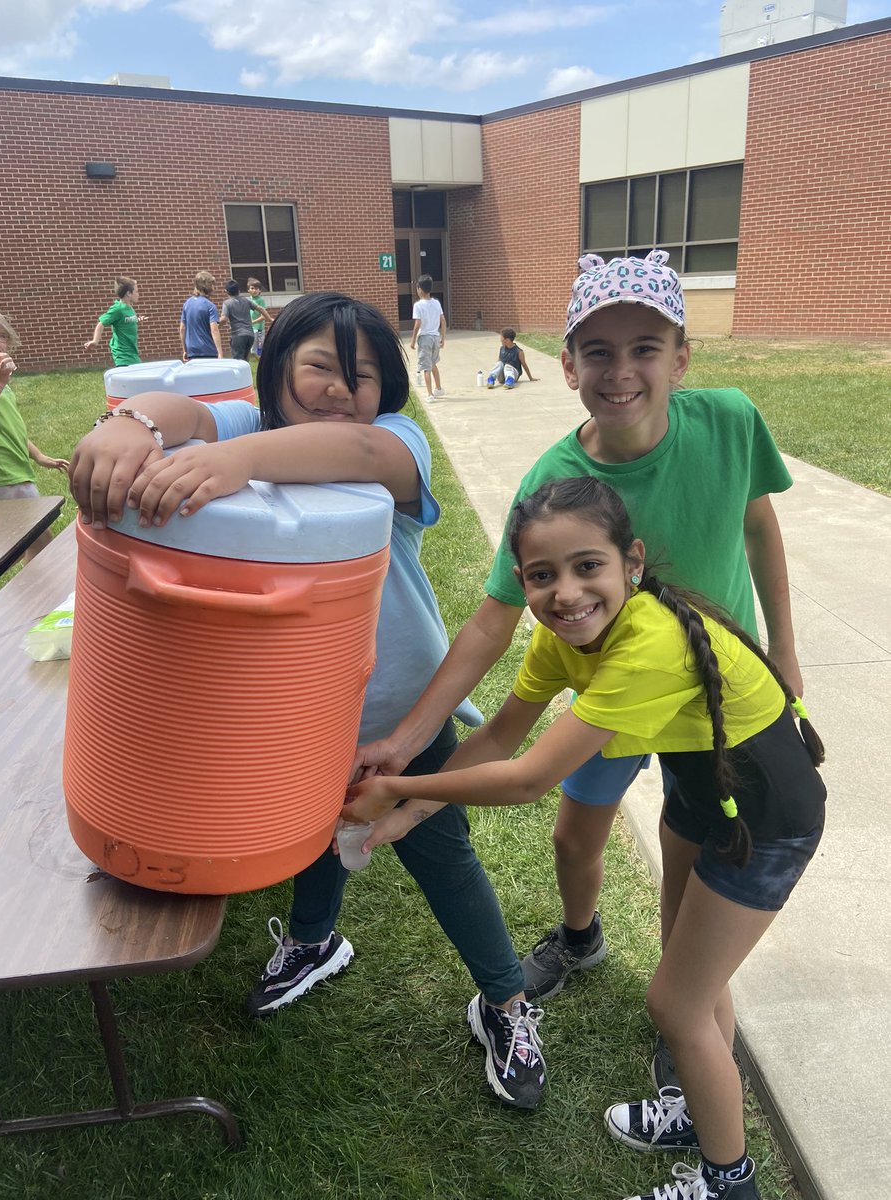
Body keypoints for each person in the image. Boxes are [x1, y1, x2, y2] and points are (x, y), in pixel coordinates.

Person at [68, 291, 546, 1112]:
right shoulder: (254, 422)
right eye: (321, 365)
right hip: (293, 718)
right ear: (278, 367)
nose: (339, 387)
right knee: (309, 832)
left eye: (363, 375)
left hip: (399, 714)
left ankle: (505, 1001)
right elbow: (186, 409)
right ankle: (315, 941)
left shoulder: (393, 440)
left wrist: (235, 462)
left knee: (442, 857)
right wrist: (135, 426)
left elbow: (355, 448)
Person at [354, 250, 803, 1029]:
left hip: (708, 695)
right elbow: (494, 620)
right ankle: (579, 937)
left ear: (681, 358)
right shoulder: (552, 484)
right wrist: (406, 740)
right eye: (598, 351)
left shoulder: (731, 420)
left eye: (644, 348)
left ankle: (687, 1029)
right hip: (612, 694)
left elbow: (760, 526)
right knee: (572, 838)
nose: (620, 371)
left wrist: (785, 649)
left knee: (690, 858)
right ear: (566, 365)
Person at [345, 474, 826, 1200]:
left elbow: (529, 777)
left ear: (631, 560)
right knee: (692, 977)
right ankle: (703, 1114)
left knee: (677, 1004)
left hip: (767, 819)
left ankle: (730, 1185)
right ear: (522, 581)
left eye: (586, 567)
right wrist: (406, 810)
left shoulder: (649, 643)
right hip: (704, 795)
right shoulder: (561, 640)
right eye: (542, 576)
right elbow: (502, 737)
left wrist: (405, 788)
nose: (565, 593)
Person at [0, 306, 68, 562]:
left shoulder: (0, 383)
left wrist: (38, 456)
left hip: (16, 472)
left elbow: (11, 428)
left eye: (0, 335)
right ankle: (38, 592)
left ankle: (32, 590)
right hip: (2, 476)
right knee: (35, 539)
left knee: (34, 540)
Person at [84, 276, 145, 366]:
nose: (138, 294)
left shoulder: (129, 308)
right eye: (136, 291)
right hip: (123, 355)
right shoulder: (117, 309)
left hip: (132, 352)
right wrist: (95, 341)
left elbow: (125, 322)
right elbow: (101, 323)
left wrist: (137, 321)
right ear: (129, 293)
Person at [410, 274, 445, 402]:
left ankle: (430, 394)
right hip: (436, 337)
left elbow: (417, 324)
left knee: (426, 367)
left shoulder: (418, 305)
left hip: (424, 338)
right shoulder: (436, 303)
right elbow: (443, 320)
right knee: (433, 363)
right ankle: (439, 388)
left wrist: (413, 340)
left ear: (419, 288)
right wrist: (443, 337)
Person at [219, 279, 270, 360]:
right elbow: (260, 309)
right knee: (246, 361)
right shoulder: (246, 300)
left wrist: (217, 327)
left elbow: (224, 319)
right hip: (250, 335)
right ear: (239, 291)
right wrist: (269, 319)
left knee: (238, 361)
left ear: (226, 291)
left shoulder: (227, 303)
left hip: (238, 335)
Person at [180, 271, 222, 361]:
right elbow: (214, 330)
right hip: (208, 351)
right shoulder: (210, 306)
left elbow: (182, 328)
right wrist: (220, 353)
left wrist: (185, 350)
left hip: (192, 352)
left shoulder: (186, 304)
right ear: (206, 286)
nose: (214, 288)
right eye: (212, 285)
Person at [247, 277, 268, 357]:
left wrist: (253, 322)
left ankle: (260, 360)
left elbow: (263, 316)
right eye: (252, 288)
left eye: (257, 288)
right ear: (248, 290)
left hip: (259, 328)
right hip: (250, 327)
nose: (254, 290)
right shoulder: (248, 300)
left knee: (259, 347)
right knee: (252, 348)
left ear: (260, 290)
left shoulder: (260, 300)